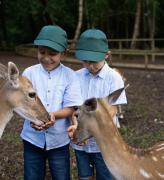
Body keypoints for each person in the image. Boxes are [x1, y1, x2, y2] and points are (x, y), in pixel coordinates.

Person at [20, 25, 82, 180]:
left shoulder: (70, 76)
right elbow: (22, 103)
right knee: (32, 176)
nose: (46, 58)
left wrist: (50, 116)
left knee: (61, 176)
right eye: (41, 52)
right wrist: (34, 118)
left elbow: (70, 107)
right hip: (32, 139)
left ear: (64, 54)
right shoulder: (29, 73)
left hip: (58, 141)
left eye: (53, 54)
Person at [68, 29, 127, 180]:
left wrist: (89, 130)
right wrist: (76, 126)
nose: (89, 65)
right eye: (85, 61)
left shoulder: (113, 78)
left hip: (104, 142)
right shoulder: (76, 76)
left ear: (107, 55)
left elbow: (112, 110)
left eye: (93, 61)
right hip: (80, 139)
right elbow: (75, 107)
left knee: (104, 175)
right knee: (84, 175)